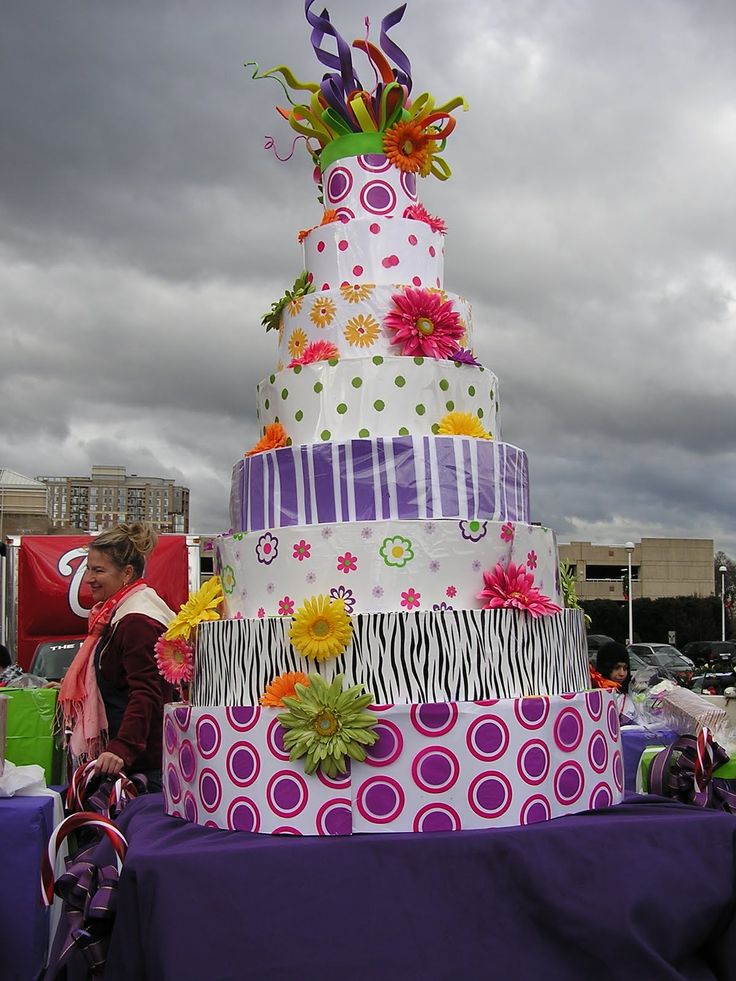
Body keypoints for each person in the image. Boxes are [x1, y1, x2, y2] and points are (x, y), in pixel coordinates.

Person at [58, 522, 174, 792]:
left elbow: (146, 693)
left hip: (141, 767)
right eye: (88, 568)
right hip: (133, 760)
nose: (89, 578)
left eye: (98, 570)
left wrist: (123, 748)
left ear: (127, 573)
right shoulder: (120, 613)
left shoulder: (136, 621)